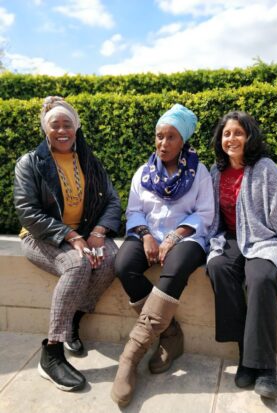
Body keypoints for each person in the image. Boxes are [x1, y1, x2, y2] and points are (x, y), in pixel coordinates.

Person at [14, 96, 121, 392]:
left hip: (86, 233)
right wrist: (70, 237)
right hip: (43, 236)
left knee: (111, 259)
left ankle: (72, 319)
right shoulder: (30, 163)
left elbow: (112, 200)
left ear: (76, 128)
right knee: (77, 265)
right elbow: (28, 212)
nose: (62, 131)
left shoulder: (89, 161)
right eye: (55, 125)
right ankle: (52, 353)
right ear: (45, 130)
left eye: (67, 125)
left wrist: (98, 232)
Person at [111, 103, 214, 407]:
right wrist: (144, 236)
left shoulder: (199, 172)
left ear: (183, 141)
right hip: (147, 234)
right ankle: (170, 335)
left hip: (188, 237)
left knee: (176, 265)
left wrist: (171, 238)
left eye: (171, 137)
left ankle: (131, 355)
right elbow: (134, 211)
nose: (163, 144)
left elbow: (205, 214)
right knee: (124, 265)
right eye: (159, 136)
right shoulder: (143, 173)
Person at [206, 111, 277, 400]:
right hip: (229, 238)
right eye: (227, 134)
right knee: (218, 268)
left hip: (264, 240)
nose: (231, 139)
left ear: (249, 136)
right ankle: (245, 354)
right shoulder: (216, 171)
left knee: (262, 278)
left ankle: (264, 368)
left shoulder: (265, 168)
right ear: (220, 139)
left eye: (238, 132)